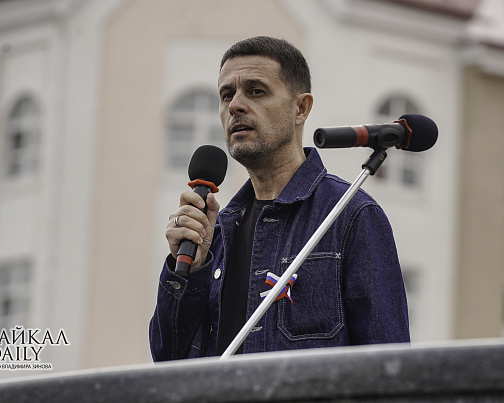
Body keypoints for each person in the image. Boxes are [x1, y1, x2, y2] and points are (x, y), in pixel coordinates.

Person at [149, 36, 410, 361]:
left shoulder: (350, 215)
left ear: (301, 108)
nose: (235, 105)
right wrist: (187, 270)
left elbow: (389, 365)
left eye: (256, 91)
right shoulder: (216, 233)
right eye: (226, 95)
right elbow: (168, 361)